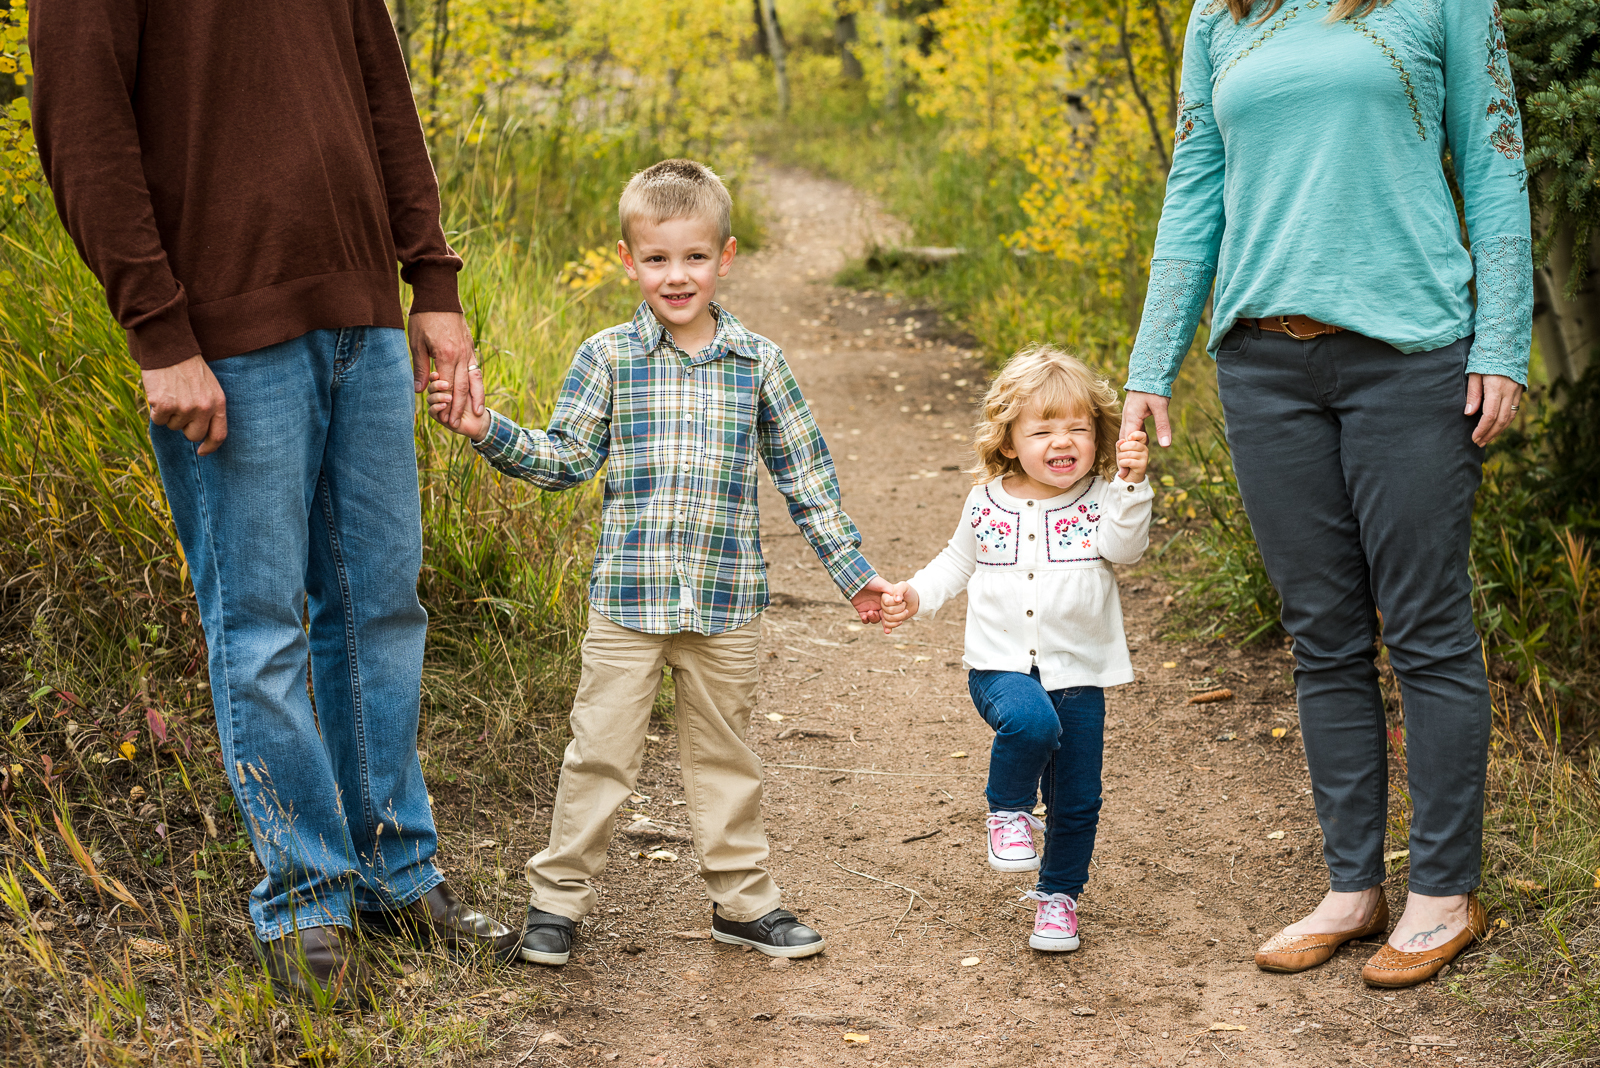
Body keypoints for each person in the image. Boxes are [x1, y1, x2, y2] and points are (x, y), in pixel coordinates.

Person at [29, 1, 519, 1010]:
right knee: (259, 626)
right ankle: (306, 901)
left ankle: (393, 877)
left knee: (382, 604)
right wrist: (159, 335)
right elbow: (82, 131)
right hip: (220, 337)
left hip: (362, 318)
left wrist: (431, 281)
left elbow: (384, 91)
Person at [1121, 0, 1530, 988]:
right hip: (1264, 369)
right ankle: (1353, 889)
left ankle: (1443, 893)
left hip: (1410, 359)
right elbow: (1195, 190)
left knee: (1426, 630)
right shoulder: (1221, 15)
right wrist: (1150, 367)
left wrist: (1502, 342)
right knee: (1322, 637)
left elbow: (1493, 161)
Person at [424, 158, 892, 965]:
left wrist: (855, 576)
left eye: (695, 257)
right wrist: (486, 430)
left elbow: (807, 482)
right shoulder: (607, 358)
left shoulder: (759, 364)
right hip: (627, 606)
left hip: (725, 602)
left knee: (726, 759)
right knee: (598, 754)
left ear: (726, 256)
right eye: (657, 258)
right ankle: (554, 906)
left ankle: (742, 904)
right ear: (627, 259)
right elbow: (567, 458)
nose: (677, 276)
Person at [878, 347, 1152, 952]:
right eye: (1044, 429)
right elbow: (956, 562)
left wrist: (1131, 485)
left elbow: (1126, 550)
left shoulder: (1103, 496)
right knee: (1029, 725)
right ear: (1008, 441)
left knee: (1077, 800)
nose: (1064, 441)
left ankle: (1057, 899)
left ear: (1098, 436)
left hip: (1079, 671)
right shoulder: (987, 500)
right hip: (1002, 665)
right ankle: (1006, 810)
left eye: (1078, 428)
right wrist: (913, 595)